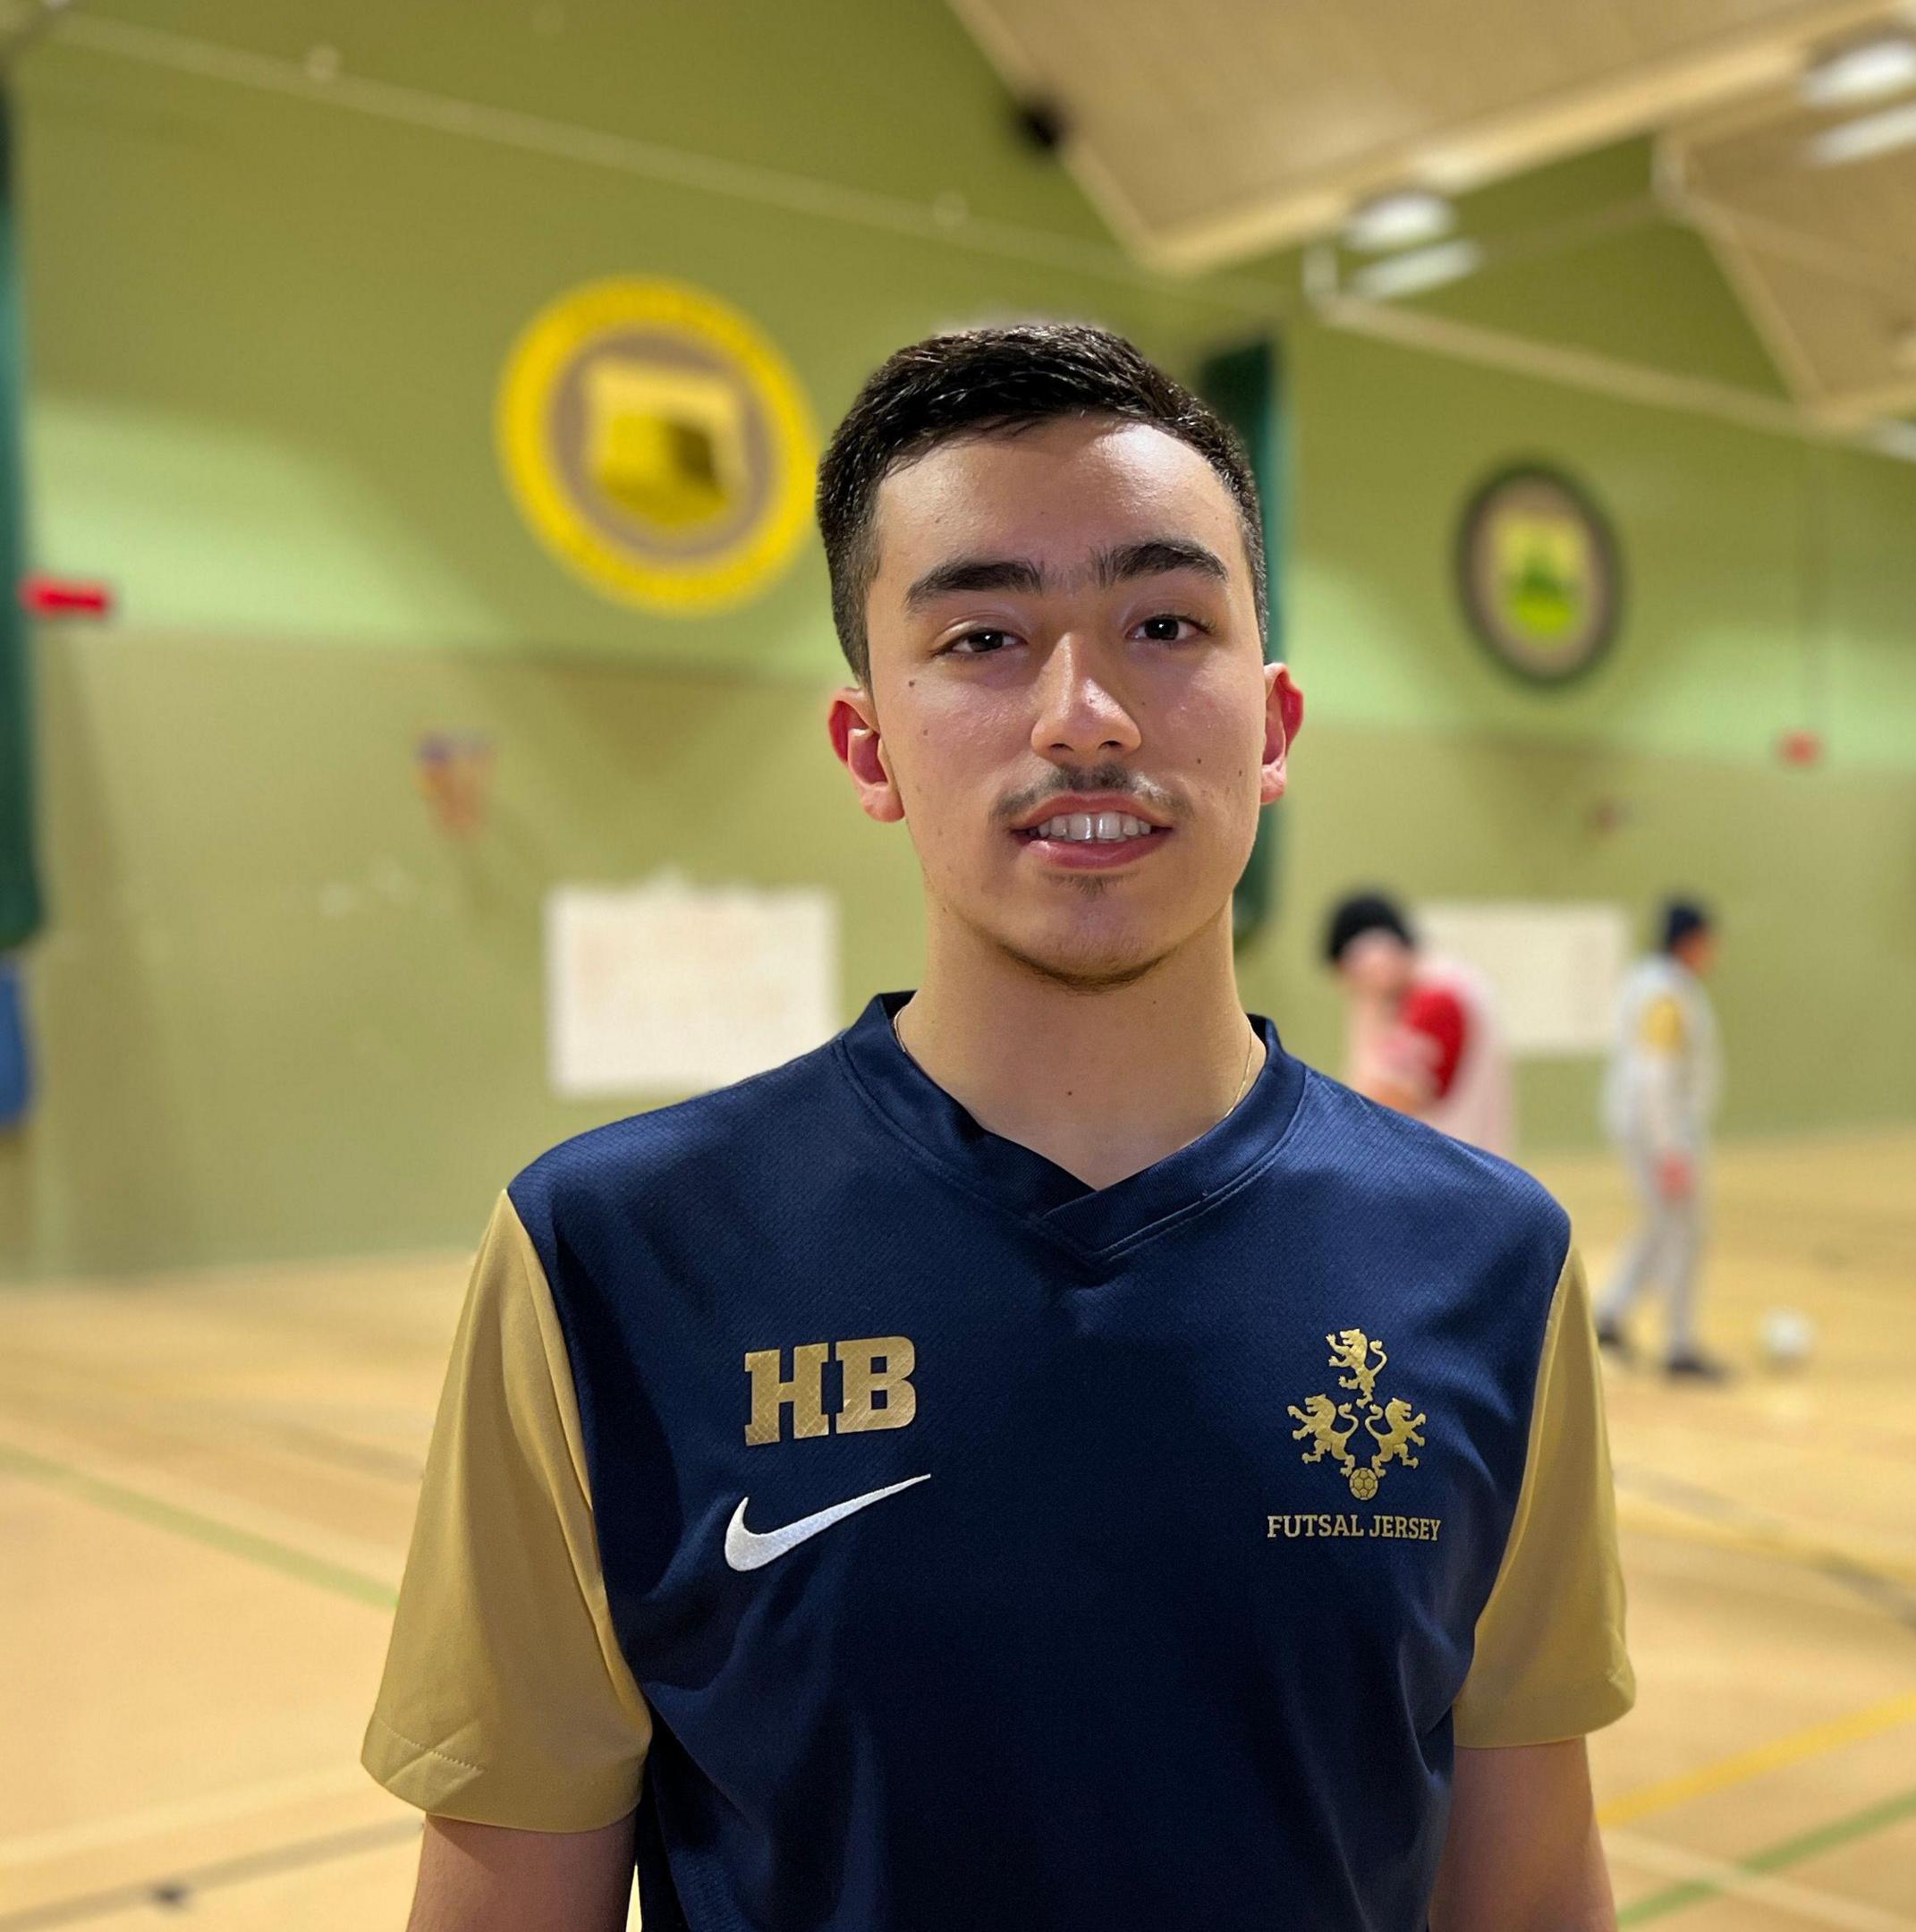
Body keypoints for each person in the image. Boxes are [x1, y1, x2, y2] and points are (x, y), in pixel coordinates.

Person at [364, 324, 1630, 1931]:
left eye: (1165, 621)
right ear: (866, 742)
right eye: (981, 638)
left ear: (1277, 723)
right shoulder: (609, 1263)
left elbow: (1527, 1888)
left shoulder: (1493, 1265)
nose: (1084, 714)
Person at [1596, 898, 1725, 1380]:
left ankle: (1609, 1313)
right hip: (1661, 1129)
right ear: (1691, 941)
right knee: (1684, 1233)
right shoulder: (1666, 993)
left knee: (1660, 1224)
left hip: (1650, 1125)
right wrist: (1671, 1149)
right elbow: (1655, 1074)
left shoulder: (1653, 983)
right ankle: (1679, 1344)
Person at [1325, 888, 1515, 1157]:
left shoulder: (1437, 1001)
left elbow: (1367, 1117)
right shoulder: (1451, 987)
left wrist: (1369, 1006)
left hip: (1452, 1185)